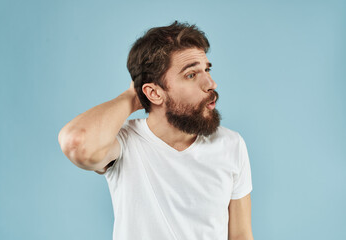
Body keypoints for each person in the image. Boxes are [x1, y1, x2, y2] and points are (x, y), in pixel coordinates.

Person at [58, 20, 254, 240]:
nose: (210, 83)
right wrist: (132, 97)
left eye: (206, 70)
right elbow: (77, 142)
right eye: (191, 75)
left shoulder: (231, 144)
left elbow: (241, 235)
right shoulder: (124, 143)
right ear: (154, 93)